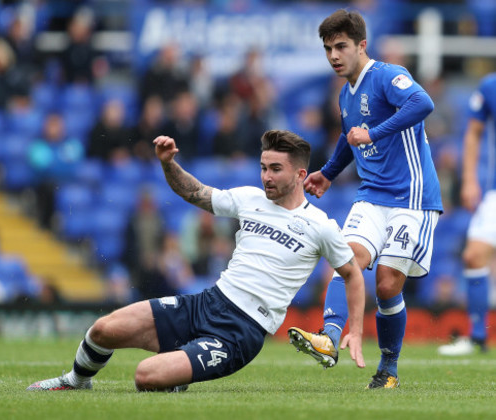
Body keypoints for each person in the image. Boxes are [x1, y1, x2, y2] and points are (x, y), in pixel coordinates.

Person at [26, 130, 366, 393]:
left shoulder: (321, 225)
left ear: (299, 174)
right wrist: (167, 163)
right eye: (263, 167)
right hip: (207, 302)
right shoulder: (250, 198)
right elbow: (195, 193)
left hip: (240, 332)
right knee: (103, 329)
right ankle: (75, 381)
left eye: (276, 169)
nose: (266, 177)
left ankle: (180, 371)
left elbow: (351, 274)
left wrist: (354, 328)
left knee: (145, 376)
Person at [286, 9, 443, 389]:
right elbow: (347, 136)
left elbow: (422, 104)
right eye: (328, 49)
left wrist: (373, 134)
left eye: (341, 46)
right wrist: (328, 171)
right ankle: (328, 338)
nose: (334, 55)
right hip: (371, 195)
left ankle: (388, 368)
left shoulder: (387, 75)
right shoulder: (345, 93)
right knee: (347, 259)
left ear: (361, 45)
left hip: (412, 198)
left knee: (387, 285)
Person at [437, 74, 496, 356]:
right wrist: (470, 179)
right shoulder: (489, 86)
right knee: (474, 255)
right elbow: (473, 132)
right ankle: (477, 338)